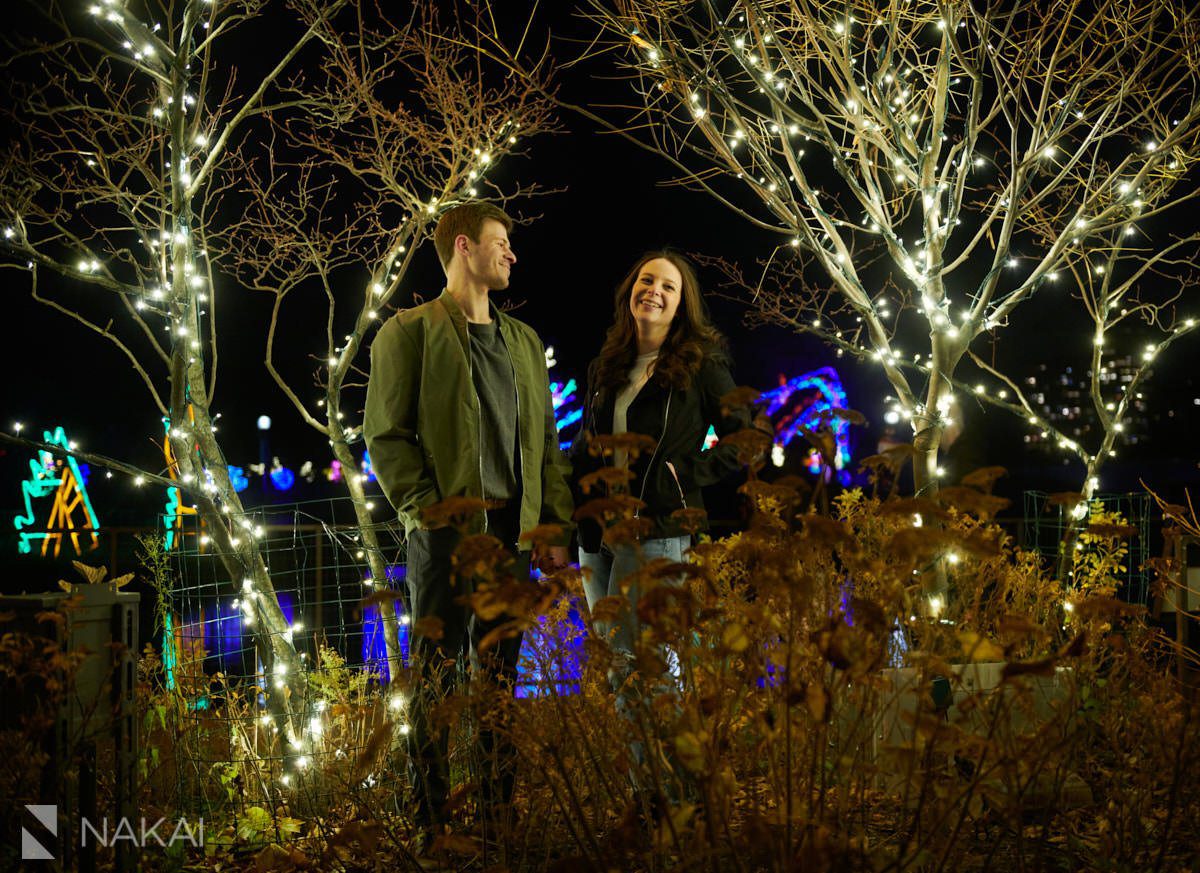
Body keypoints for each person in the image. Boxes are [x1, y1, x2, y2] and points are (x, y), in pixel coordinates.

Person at [364, 201, 573, 840]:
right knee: (433, 682)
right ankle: (431, 823)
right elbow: (386, 435)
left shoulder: (524, 342)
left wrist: (552, 529)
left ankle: (494, 817)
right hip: (444, 539)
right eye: (500, 241)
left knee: (500, 685)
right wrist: (430, 515)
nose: (512, 253)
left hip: (513, 538)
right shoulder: (409, 331)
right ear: (464, 246)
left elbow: (543, 440)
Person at [569, 251, 750, 769]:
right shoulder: (608, 365)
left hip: (658, 533)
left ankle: (669, 800)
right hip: (598, 538)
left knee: (647, 670)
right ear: (631, 289)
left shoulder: (701, 363)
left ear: (681, 303)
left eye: (668, 286)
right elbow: (588, 447)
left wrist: (684, 476)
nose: (654, 290)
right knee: (620, 669)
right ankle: (657, 800)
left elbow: (747, 437)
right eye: (646, 279)